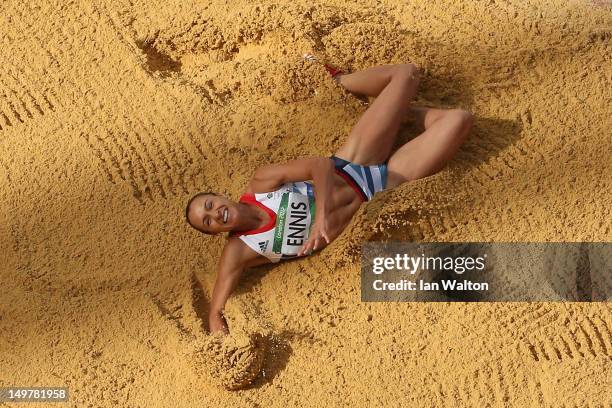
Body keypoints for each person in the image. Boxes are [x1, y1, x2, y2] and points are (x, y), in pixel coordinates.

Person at [185, 58, 473, 333]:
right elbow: (215, 313)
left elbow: (320, 165)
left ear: (220, 196)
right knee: (459, 120)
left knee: (406, 74)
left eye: (210, 205)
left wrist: (320, 216)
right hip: (383, 191)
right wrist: (221, 333)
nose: (214, 214)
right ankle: (403, 114)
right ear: (215, 232)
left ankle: (340, 82)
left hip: (354, 163)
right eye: (208, 221)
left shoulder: (261, 185)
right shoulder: (241, 249)